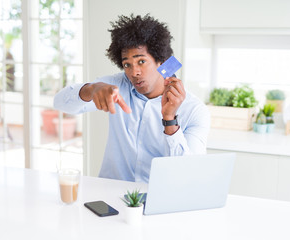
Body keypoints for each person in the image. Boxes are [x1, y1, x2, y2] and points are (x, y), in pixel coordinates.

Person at [54, 14, 210, 183]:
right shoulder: (116, 85)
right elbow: (60, 103)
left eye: (141, 61)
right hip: (110, 195)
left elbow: (189, 175)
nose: (133, 72)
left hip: (157, 199)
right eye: (127, 64)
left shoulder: (194, 110)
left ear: (162, 62)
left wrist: (170, 120)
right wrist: (91, 89)